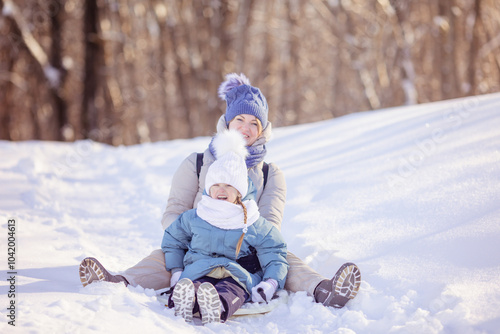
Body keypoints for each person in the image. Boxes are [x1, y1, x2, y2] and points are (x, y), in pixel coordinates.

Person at [79, 73, 361, 309]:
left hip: (246, 250)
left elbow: (270, 223)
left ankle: (325, 290)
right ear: (227, 122)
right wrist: (198, 233)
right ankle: (117, 281)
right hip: (197, 247)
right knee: (163, 255)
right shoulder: (197, 163)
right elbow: (174, 211)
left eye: (255, 123)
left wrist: (234, 235)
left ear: (262, 131)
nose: (246, 129)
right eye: (240, 120)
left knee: (283, 257)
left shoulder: (269, 173)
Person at [162, 129, 288, 323]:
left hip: (236, 274)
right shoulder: (196, 216)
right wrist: (177, 271)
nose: (221, 189)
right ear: (208, 187)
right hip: (199, 270)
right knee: (194, 285)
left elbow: (274, 251)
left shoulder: (252, 220)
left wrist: (271, 282)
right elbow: (173, 240)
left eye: (229, 185)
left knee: (232, 290)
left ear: (239, 192)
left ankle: (218, 305)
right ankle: (186, 301)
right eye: (216, 184)